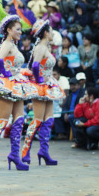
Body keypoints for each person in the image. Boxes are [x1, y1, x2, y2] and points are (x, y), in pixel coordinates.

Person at [0, 14, 38, 171]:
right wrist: (6, 75)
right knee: (2, 120)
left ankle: (15, 155)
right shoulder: (7, 44)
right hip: (8, 85)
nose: (20, 32)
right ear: (8, 30)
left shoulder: (13, 45)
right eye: (17, 29)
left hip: (17, 84)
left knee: (19, 120)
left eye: (21, 29)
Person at [21, 20, 65, 166]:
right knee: (38, 119)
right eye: (51, 31)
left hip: (47, 84)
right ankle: (25, 151)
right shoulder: (40, 47)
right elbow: (35, 65)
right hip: (41, 85)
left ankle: (44, 152)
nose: (53, 33)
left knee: (49, 119)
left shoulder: (45, 46)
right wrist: (40, 80)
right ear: (45, 33)